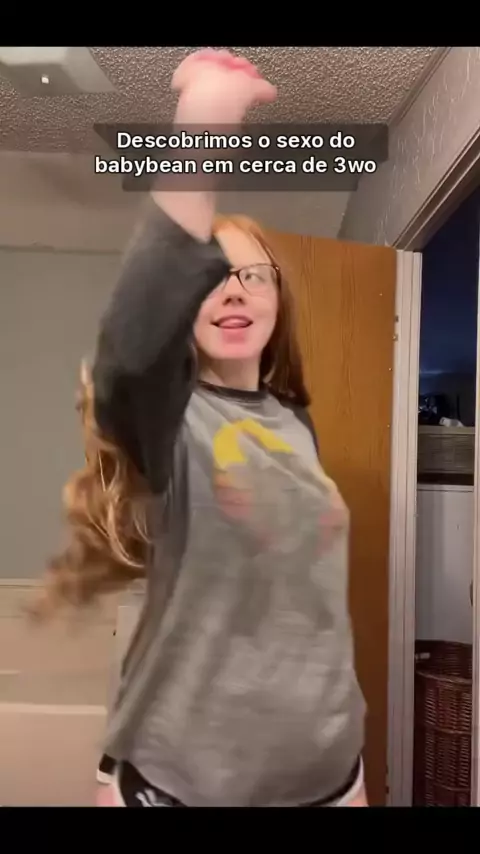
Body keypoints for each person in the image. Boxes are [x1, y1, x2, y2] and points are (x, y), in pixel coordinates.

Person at [35, 49, 367, 807]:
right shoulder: (168, 417)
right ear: (183, 309)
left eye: (253, 275)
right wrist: (205, 123)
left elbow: (309, 602)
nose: (234, 291)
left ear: (278, 299)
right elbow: (132, 345)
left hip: (328, 769)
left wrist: (350, 759)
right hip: (189, 780)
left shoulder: (294, 422)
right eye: (211, 278)